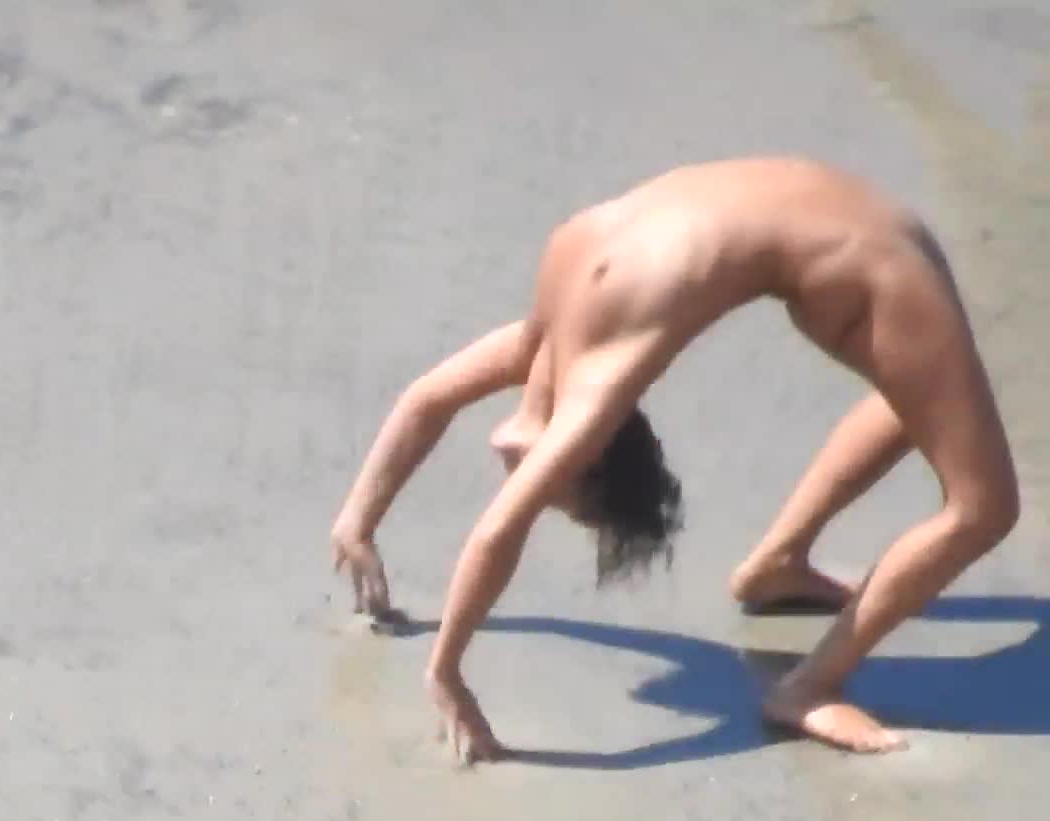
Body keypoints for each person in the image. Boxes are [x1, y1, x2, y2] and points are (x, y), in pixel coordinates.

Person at [328, 156, 1020, 764]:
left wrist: (445, 671)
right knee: (931, 394)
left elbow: (498, 530)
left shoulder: (583, 374)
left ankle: (809, 686)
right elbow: (427, 400)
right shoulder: (560, 338)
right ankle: (777, 563)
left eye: (563, 498)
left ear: (585, 454)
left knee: (983, 507)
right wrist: (358, 521)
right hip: (846, 216)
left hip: (876, 257)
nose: (537, 486)